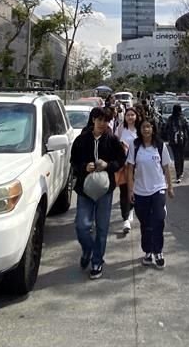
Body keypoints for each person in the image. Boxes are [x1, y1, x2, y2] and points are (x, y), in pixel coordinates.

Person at [70, 107, 126, 280]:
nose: (102, 123)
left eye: (106, 120)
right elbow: (74, 162)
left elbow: (121, 159)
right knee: (82, 226)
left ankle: (97, 261)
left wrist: (108, 165)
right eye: (99, 120)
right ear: (93, 120)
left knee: (102, 228)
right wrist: (83, 167)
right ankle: (88, 250)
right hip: (85, 190)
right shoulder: (81, 140)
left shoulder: (112, 140)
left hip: (105, 190)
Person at [127, 119, 174, 269]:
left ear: (153, 129)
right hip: (140, 190)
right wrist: (130, 190)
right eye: (143, 127)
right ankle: (148, 251)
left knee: (159, 219)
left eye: (149, 127)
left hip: (158, 188)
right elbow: (129, 169)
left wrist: (170, 186)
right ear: (140, 130)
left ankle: (158, 251)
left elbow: (166, 167)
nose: (146, 129)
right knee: (145, 223)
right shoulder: (135, 146)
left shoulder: (160, 146)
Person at [115, 107, 140, 234]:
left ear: (136, 116)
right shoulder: (120, 129)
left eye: (132, 115)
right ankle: (125, 218)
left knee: (134, 190)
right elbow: (114, 145)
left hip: (138, 166)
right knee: (124, 190)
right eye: (128, 115)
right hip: (124, 166)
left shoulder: (140, 130)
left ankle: (131, 210)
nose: (130, 117)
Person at [161, 104, 189, 183]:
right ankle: (180, 172)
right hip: (182, 140)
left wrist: (166, 136)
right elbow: (187, 129)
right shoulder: (183, 118)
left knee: (177, 157)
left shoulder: (170, 118)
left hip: (173, 140)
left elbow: (166, 129)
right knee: (181, 156)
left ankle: (178, 174)